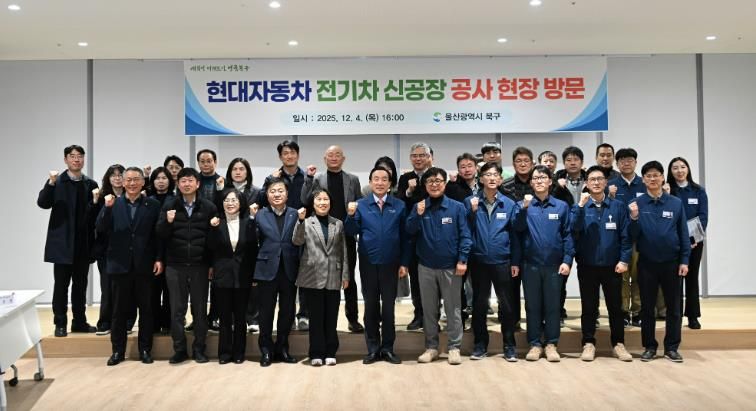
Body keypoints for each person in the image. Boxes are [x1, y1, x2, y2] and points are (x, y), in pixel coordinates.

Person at [96, 167, 163, 366]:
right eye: (129, 180)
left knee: (147, 310)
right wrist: (106, 209)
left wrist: (159, 258)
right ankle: (117, 351)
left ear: (143, 182)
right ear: (123, 183)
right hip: (119, 265)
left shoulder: (153, 204)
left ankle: (145, 350)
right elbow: (100, 228)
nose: (132, 183)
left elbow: (158, 235)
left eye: (136, 179)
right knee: (118, 311)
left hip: (145, 265)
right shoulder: (112, 203)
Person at [406, 167, 472, 365]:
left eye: (438, 181)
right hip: (425, 267)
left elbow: (465, 236)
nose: (434, 185)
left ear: (444, 183)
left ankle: (454, 347)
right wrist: (417, 215)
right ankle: (431, 347)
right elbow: (409, 231)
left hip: (451, 267)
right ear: (425, 185)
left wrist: (462, 260)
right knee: (429, 310)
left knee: (453, 309)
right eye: (430, 181)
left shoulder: (457, 207)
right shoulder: (419, 207)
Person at [345, 166, 410, 365]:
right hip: (368, 264)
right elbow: (351, 231)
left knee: (389, 309)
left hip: (392, 264)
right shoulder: (361, 205)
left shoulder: (399, 205)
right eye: (376, 179)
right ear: (370, 182)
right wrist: (350, 215)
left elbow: (405, 237)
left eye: (384, 179)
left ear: (390, 184)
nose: (380, 182)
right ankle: (373, 349)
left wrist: (404, 263)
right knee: (371, 307)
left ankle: (388, 348)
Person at [629, 160, 690, 362]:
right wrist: (634, 218)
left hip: (672, 263)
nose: (653, 179)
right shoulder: (637, 204)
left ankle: (672, 347)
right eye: (648, 176)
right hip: (647, 263)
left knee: (674, 308)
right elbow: (632, 236)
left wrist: (684, 260)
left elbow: (683, 233)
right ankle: (649, 347)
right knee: (647, 308)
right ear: (644, 180)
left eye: (656, 175)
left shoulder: (675, 203)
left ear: (663, 178)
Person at [156, 167, 218, 364]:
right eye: (183, 181)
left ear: (197, 184)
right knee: (177, 310)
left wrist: (211, 264)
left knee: (199, 310)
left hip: (200, 265)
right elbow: (160, 234)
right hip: (175, 266)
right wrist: (168, 222)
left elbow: (214, 240)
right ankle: (179, 349)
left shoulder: (208, 207)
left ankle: (199, 349)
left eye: (191, 180)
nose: (187, 184)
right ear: (178, 184)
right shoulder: (169, 205)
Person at [512, 165, 574, 362]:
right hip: (530, 265)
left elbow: (568, 235)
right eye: (535, 178)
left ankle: (551, 344)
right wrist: (524, 209)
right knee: (532, 306)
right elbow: (516, 230)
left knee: (553, 306)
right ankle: (535, 344)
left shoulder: (561, 206)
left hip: (555, 265)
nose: (539, 181)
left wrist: (567, 260)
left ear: (549, 181)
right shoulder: (522, 205)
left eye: (542, 177)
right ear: (531, 183)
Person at [571, 166, 633, 362]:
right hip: (587, 265)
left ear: (606, 182)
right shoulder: (580, 206)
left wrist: (624, 259)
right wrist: (580, 207)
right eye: (592, 179)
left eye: (600, 179)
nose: (596, 182)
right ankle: (588, 343)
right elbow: (574, 230)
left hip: (613, 265)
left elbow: (626, 236)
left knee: (615, 307)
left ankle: (618, 344)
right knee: (589, 307)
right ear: (586, 184)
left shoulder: (618, 207)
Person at [37, 145, 99, 337]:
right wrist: (50, 183)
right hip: (62, 244)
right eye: (72, 156)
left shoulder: (90, 184)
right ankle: (60, 323)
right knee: (61, 286)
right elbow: (43, 203)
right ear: (66, 160)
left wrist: (95, 203)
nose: (76, 160)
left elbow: (94, 216)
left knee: (80, 287)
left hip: (83, 244)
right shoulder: (57, 182)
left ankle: (79, 322)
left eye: (80, 156)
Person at [301, 145, 364, 333]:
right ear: (325, 159)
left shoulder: (353, 179)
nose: (334, 158)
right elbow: (306, 200)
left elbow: (359, 204)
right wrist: (308, 179)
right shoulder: (318, 178)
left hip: (347, 234)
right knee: (318, 276)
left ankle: (352, 319)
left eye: (338, 155)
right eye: (330, 155)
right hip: (322, 235)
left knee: (348, 278)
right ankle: (315, 318)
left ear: (343, 159)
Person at [465, 162, 519, 362]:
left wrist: (515, 261)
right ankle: (480, 345)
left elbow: (515, 235)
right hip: (478, 261)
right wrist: (471, 213)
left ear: (501, 179)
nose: (492, 178)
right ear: (481, 179)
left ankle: (509, 346)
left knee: (507, 305)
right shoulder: (470, 202)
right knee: (479, 305)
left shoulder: (509, 204)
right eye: (487, 174)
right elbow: (465, 231)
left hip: (502, 261)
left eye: (495, 174)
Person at [293, 188, 350, 366]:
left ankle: (331, 351)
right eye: (319, 199)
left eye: (326, 199)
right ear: (313, 203)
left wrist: (345, 275)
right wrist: (299, 221)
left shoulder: (338, 223)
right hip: (313, 276)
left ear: (330, 203)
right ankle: (316, 353)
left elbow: (343, 251)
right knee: (316, 318)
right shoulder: (306, 222)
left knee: (331, 317)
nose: (323, 203)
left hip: (333, 274)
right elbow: (297, 240)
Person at [261, 140, 309, 330]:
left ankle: (303, 314)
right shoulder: (273, 177)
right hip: (278, 227)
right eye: (285, 153)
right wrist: (269, 182)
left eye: (292, 152)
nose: (289, 156)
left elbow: (312, 200)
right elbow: (261, 200)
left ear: (298, 154)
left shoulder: (306, 177)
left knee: (302, 272)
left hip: (301, 227)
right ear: (280, 157)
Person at [253, 178, 301, 367]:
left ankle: (282, 348)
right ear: (267, 195)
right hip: (266, 269)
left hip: (289, 269)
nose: (277, 194)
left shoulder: (296, 214)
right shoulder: (259, 214)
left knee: (287, 312)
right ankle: (266, 350)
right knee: (265, 312)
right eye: (273, 191)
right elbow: (253, 243)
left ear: (287, 194)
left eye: (281, 190)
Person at [207, 189, 258, 364]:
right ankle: (224, 353)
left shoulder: (248, 222)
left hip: (243, 275)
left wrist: (254, 276)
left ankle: (239, 353)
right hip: (223, 275)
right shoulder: (216, 222)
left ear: (241, 203)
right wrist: (213, 229)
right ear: (222, 203)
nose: (230, 203)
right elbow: (210, 247)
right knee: (225, 317)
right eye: (227, 200)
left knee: (241, 316)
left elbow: (252, 249)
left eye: (234, 200)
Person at [667, 157, 708, 330]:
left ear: (688, 169)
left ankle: (693, 316)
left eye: (683, 167)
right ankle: (675, 316)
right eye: (675, 168)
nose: (679, 170)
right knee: (675, 280)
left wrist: (692, 240)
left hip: (694, 242)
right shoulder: (668, 190)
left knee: (692, 278)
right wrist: (679, 240)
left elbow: (703, 217)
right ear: (670, 171)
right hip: (673, 241)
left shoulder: (698, 191)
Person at [397, 142, 434, 331]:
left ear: (429, 157)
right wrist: (409, 191)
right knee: (416, 278)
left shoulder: (435, 176)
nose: (418, 159)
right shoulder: (405, 178)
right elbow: (399, 203)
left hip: (433, 233)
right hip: (412, 234)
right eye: (415, 156)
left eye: (422, 155)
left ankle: (433, 316)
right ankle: (418, 314)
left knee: (434, 279)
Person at [608, 148, 645, 327]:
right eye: (622, 160)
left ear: (636, 162)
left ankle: (637, 312)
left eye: (630, 160)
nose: (626, 163)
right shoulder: (611, 185)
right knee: (621, 277)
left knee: (639, 277)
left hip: (640, 239)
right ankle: (622, 312)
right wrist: (610, 196)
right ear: (617, 164)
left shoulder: (644, 183)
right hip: (619, 240)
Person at [500, 146, 535, 331]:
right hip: (510, 240)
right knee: (510, 286)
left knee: (533, 288)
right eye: (518, 161)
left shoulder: (539, 182)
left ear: (532, 163)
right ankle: (511, 323)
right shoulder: (505, 186)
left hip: (534, 240)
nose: (522, 164)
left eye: (526, 161)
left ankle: (535, 324)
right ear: (513, 164)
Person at [93, 164, 125, 336]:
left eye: (120, 175)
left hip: (126, 249)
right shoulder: (101, 197)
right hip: (106, 249)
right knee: (107, 287)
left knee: (124, 289)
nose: (117, 178)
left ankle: (125, 322)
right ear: (108, 178)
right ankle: (104, 322)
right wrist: (97, 203)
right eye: (113, 175)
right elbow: (95, 223)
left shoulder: (130, 196)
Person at [196, 149, 224, 332]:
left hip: (218, 234)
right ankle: (198, 319)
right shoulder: (193, 180)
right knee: (197, 282)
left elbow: (228, 205)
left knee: (216, 281)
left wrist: (221, 190)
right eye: (202, 161)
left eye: (209, 160)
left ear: (215, 162)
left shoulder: (222, 181)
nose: (206, 164)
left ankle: (214, 317)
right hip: (197, 234)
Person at [147, 167, 175, 334]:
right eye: (157, 178)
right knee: (153, 291)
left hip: (171, 251)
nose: (161, 181)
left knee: (170, 291)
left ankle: (168, 323)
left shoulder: (176, 200)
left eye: (164, 178)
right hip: (152, 252)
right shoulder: (147, 200)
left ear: (170, 181)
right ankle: (154, 324)